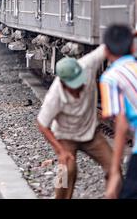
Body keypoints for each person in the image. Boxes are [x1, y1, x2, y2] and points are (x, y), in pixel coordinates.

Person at [36, 44, 113, 199]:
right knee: (66, 170)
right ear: (63, 83)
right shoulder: (54, 96)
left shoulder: (88, 65)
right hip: (65, 136)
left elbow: (108, 46)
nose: (81, 86)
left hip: (91, 133)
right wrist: (60, 151)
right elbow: (42, 124)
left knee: (113, 166)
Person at [100, 25, 137, 199]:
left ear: (106, 51)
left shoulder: (111, 77)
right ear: (133, 47)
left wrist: (115, 171)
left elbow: (121, 123)